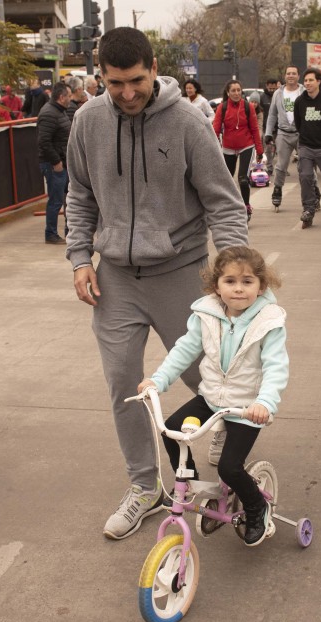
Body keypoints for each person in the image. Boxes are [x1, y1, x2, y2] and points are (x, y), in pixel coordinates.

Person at [64, 27, 248, 540]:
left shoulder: (188, 121)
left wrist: (234, 276)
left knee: (203, 378)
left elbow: (224, 203)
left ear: (153, 67)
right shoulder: (87, 121)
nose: (126, 93)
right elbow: (79, 195)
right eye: (115, 83)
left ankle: (228, 427)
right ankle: (145, 486)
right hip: (116, 278)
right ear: (100, 76)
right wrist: (81, 259)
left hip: (181, 273)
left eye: (137, 81)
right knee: (126, 386)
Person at [137, 246, 288, 546]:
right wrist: (156, 381)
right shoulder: (206, 314)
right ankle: (190, 484)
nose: (238, 289)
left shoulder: (268, 322)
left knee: (229, 467)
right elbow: (183, 351)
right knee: (171, 430)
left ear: (261, 285)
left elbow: (276, 366)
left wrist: (264, 403)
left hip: (246, 407)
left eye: (247, 281)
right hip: (210, 399)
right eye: (230, 281)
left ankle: (256, 506)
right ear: (216, 285)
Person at [213, 80, 264, 223]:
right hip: (228, 148)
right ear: (228, 93)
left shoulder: (248, 107)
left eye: (238, 90)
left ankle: (246, 207)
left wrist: (259, 151)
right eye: (233, 90)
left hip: (246, 146)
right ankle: (229, 208)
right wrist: (214, 149)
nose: (236, 93)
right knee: (227, 181)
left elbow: (254, 129)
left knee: (243, 178)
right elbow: (215, 131)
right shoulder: (222, 108)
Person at [293, 68, 321, 228]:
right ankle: (308, 210)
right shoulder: (300, 102)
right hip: (306, 146)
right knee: (305, 177)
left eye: (311, 80)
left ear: (319, 81)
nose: (307, 83)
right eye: (305, 81)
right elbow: (298, 123)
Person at [264, 66, 304, 208]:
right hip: (283, 133)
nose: (291, 76)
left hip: (302, 134)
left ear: (298, 76)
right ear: (285, 76)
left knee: (306, 165)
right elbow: (272, 115)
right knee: (281, 165)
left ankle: (313, 191)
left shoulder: (304, 92)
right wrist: (268, 133)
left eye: (294, 73)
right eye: (288, 73)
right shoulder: (278, 94)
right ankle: (277, 190)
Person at [37, 82, 72, 244]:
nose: (70, 99)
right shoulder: (49, 114)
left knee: (68, 199)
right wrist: (56, 162)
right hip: (54, 165)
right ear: (61, 97)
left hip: (63, 162)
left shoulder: (59, 112)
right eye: (69, 96)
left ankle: (69, 231)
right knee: (56, 200)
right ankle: (50, 234)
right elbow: (44, 141)